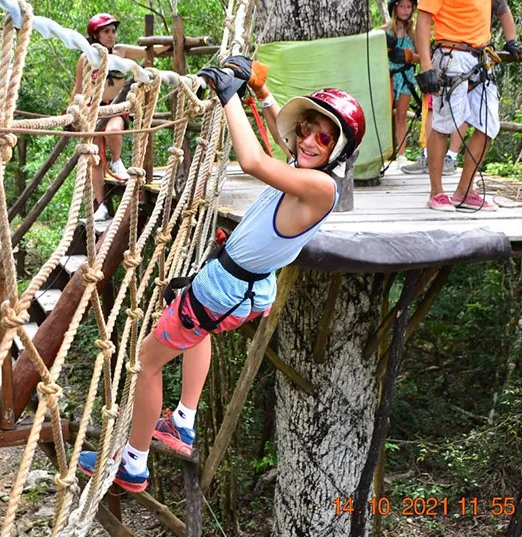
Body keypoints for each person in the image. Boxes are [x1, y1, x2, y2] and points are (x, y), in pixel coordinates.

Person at [77, 56, 366, 492]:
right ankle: (184, 420)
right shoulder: (309, 172)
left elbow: (251, 161)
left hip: (224, 289)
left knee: (144, 364)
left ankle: (133, 464)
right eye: (305, 130)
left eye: (322, 138)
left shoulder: (322, 188)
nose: (307, 141)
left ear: (337, 150)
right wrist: (261, 92)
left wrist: (228, 93)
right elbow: (286, 140)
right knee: (198, 334)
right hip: (239, 287)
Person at [403, 0, 522, 184]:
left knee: (488, 126)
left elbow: (501, 7)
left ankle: (465, 191)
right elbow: (423, 21)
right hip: (451, 55)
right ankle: (436, 192)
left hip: (481, 58)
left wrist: (511, 41)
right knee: (443, 126)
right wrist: (426, 67)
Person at [71, 13, 168, 221]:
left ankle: (116, 161)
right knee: (95, 159)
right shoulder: (85, 58)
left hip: (117, 107)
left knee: (113, 130)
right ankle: (102, 205)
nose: (111, 35)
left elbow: (148, 51)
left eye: (113, 31)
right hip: (93, 110)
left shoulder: (120, 51)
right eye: (106, 31)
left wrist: (170, 45)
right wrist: (71, 113)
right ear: (96, 34)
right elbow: (78, 87)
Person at [384, 0, 420, 169]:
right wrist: (388, 50)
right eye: (402, 7)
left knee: (401, 117)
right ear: (395, 8)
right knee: (384, 114)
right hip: (389, 77)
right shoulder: (385, 31)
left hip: (406, 77)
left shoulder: (414, 32)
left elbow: (423, 56)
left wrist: (408, 55)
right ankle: (382, 152)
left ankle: (402, 154)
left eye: (409, 7)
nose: (406, 11)